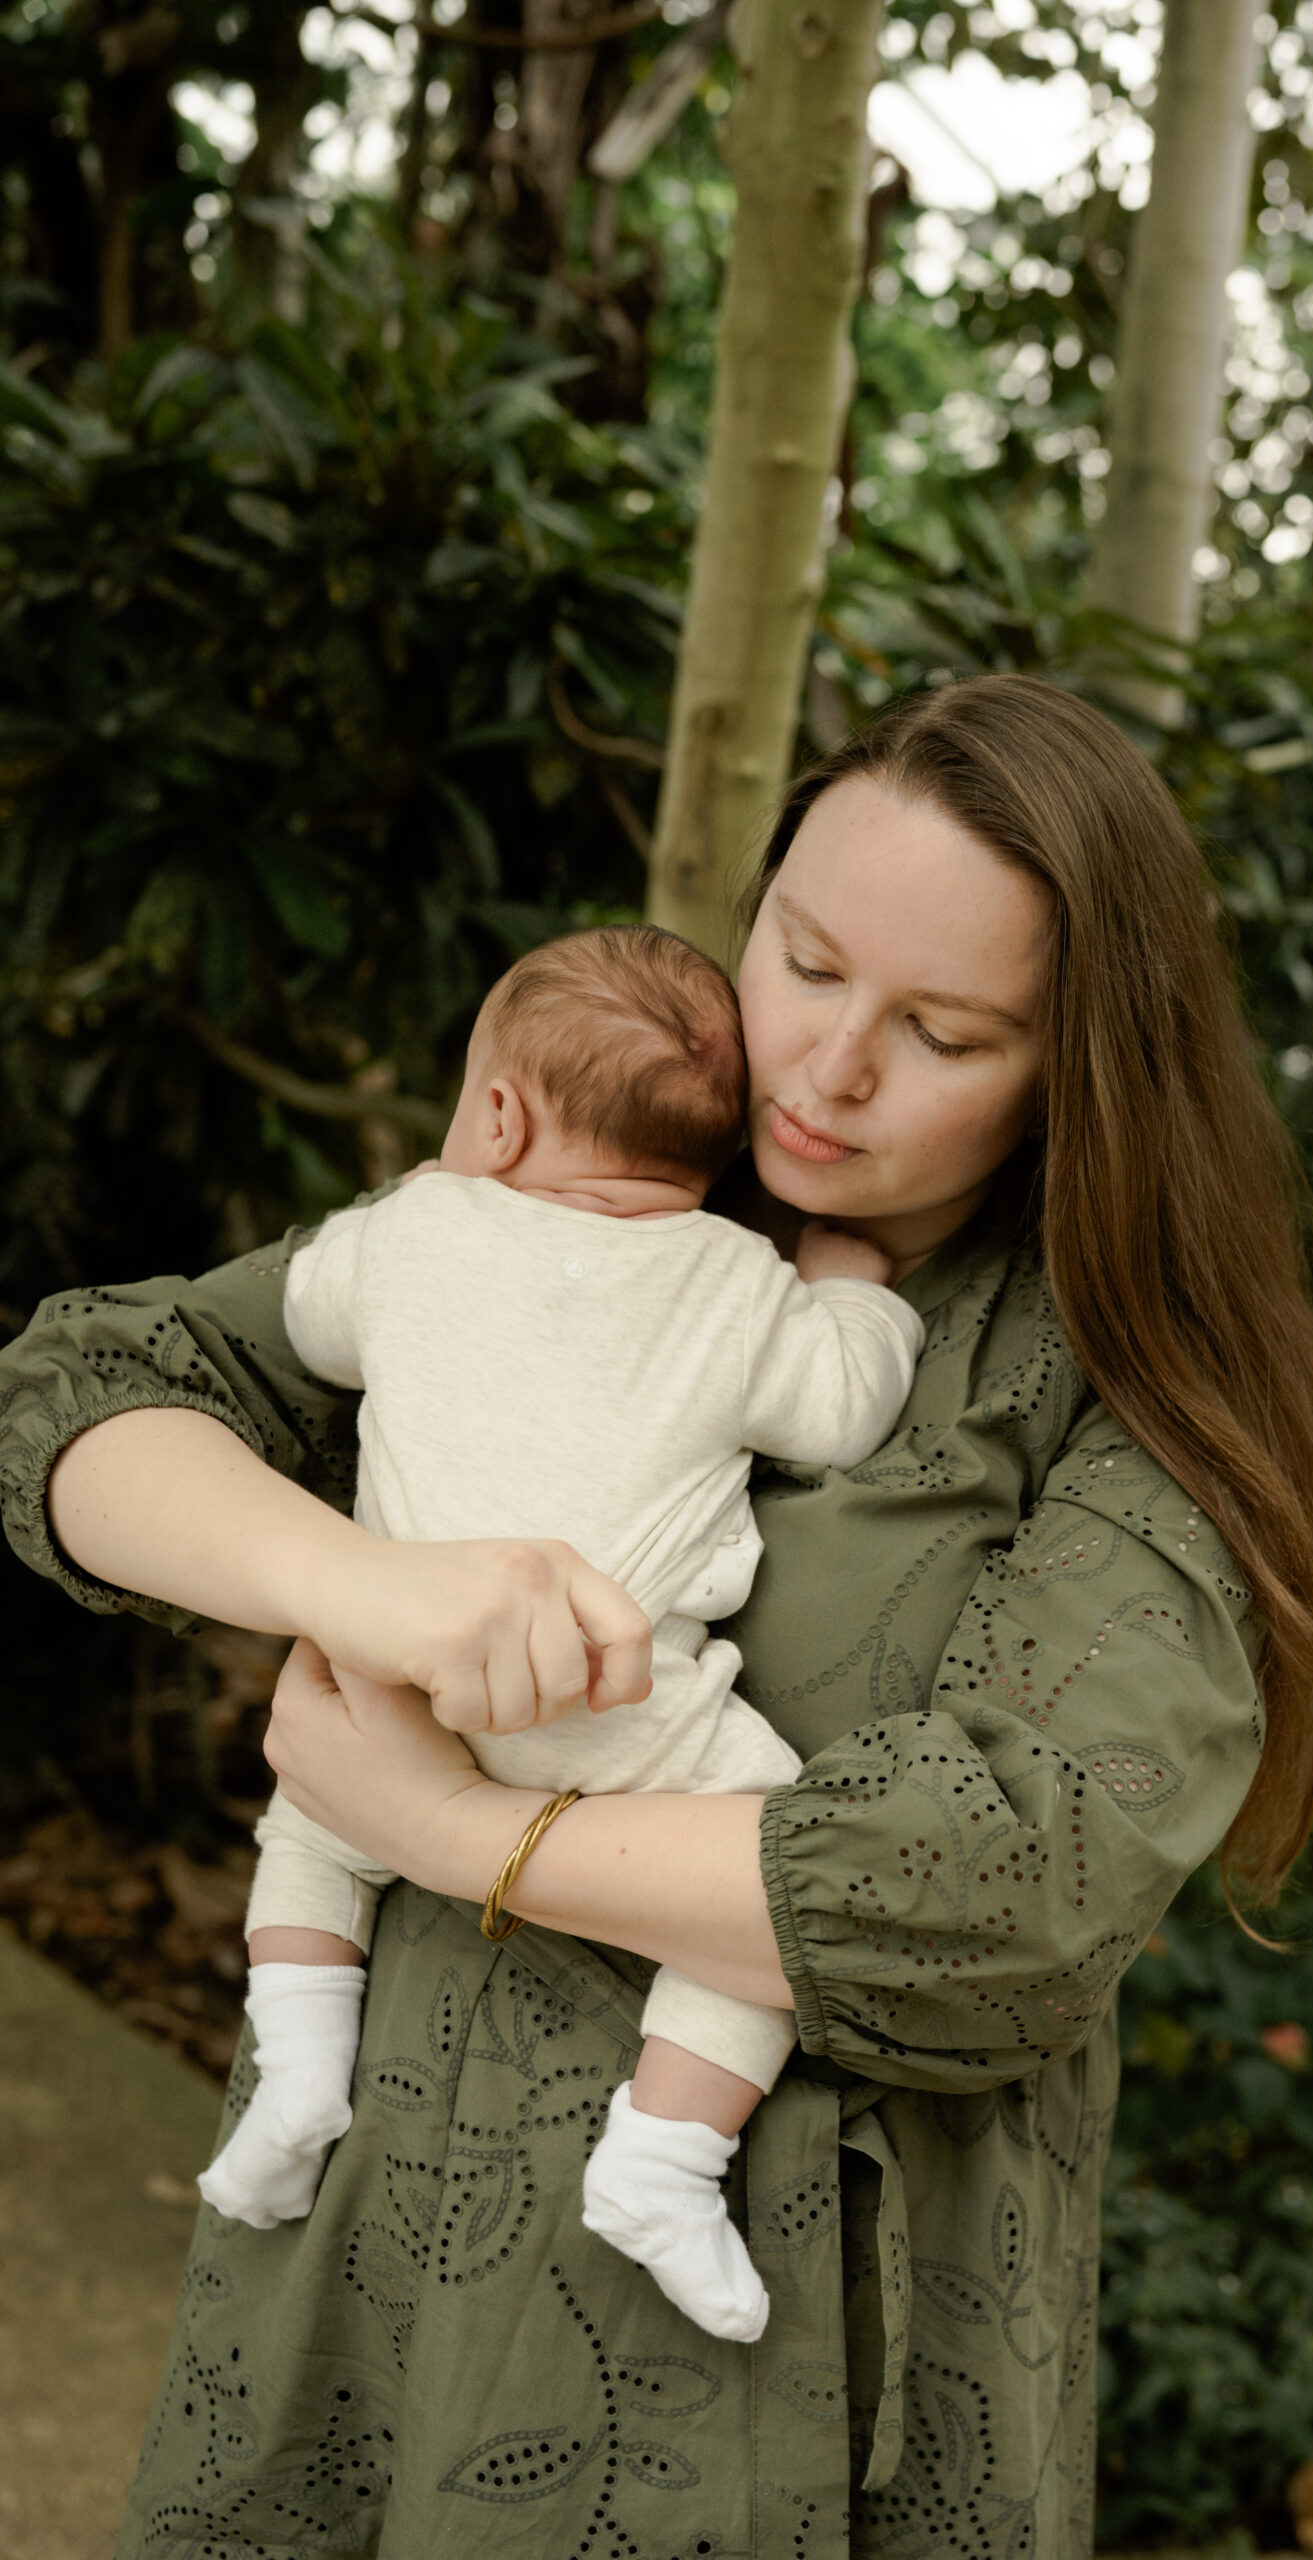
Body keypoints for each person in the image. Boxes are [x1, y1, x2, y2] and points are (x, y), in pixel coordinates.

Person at [0, 674, 1313, 2558]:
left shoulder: (1134, 1387)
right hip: (373, 2262)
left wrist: (449, 1827)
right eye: (802, 963)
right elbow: (85, 1394)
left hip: (777, 2372)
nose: (826, 1072)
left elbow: (1019, 1881)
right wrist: (363, 1585)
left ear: (1081, 1064)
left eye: (943, 1030)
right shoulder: (585, 1181)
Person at [200, 923, 923, 2353]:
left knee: (314, 1828)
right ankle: (664, 2156)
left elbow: (304, 1316)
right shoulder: (733, 1280)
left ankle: (296, 2074)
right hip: (626, 1706)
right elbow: (845, 1408)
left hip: (402, 1681)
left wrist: (403, 1210)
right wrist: (854, 1285)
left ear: (501, 1112)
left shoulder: (411, 1235)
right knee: (766, 1878)